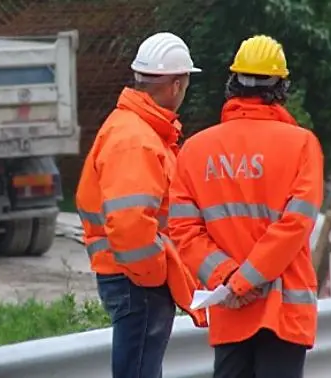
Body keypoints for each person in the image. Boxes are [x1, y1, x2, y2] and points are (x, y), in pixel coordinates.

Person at [168, 35, 323, 378]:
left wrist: (227, 279)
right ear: (281, 87)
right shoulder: (302, 146)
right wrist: (246, 281)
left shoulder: (195, 150)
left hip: (229, 311)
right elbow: (295, 226)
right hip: (284, 312)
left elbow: (182, 231)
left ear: (232, 83)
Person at [75, 32, 207, 378]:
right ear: (176, 85)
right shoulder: (138, 140)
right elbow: (131, 224)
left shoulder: (135, 131)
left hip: (131, 278)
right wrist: (156, 275)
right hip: (137, 281)